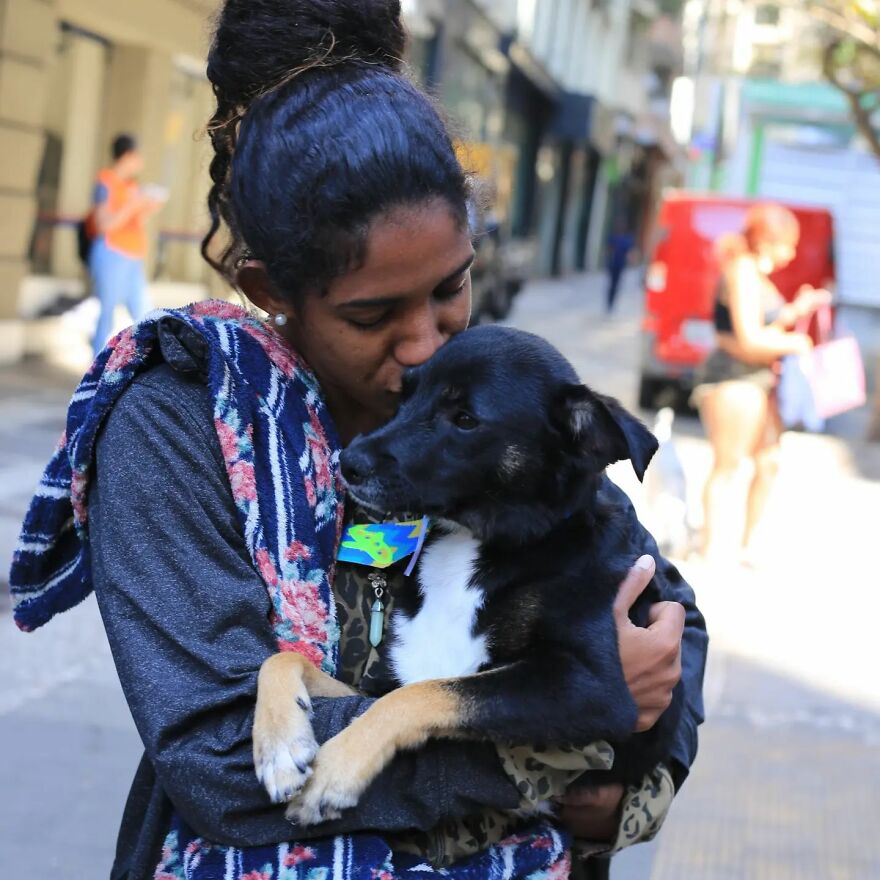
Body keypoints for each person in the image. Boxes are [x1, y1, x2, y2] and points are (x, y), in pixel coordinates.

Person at [9, 3, 707, 878]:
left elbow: (665, 619)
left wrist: (636, 784)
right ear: (269, 287)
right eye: (374, 315)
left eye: (451, 288)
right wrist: (535, 761)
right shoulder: (175, 424)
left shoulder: (487, 399)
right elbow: (217, 756)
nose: (424, 346)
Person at [693, 203, 831, 561]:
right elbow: (750, 337)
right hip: (733, 377)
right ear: (769, 240)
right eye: (789, 245)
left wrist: (797, 310)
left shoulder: (754, 272)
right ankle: (709, 547)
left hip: (758, 378)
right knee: (728, 465)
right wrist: (795, 343)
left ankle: (747, 545)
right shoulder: (742, 269)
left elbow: (763, 325)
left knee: (768, 462)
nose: (792, 254)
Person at [88, 133, 165, 355]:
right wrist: (133, 205)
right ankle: (96, 364)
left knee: (143, 313)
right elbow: (103, 224)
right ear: (128, 155)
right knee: (106, 314)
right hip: (111, 253)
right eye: (138, 156)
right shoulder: (106, 182)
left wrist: (147, 207)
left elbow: (134, 220)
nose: (141, 162)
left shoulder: (132, 185)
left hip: (132, 256)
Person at [604, 220, 636, 314]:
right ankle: (609, 304)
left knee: (615, 285)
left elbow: (630, 253)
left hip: (620, 265)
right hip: (613, 265)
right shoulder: (613, 237)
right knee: (612, 285)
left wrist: (631, 261)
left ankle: (611, 304)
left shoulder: (627, 239)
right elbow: (608, 250)